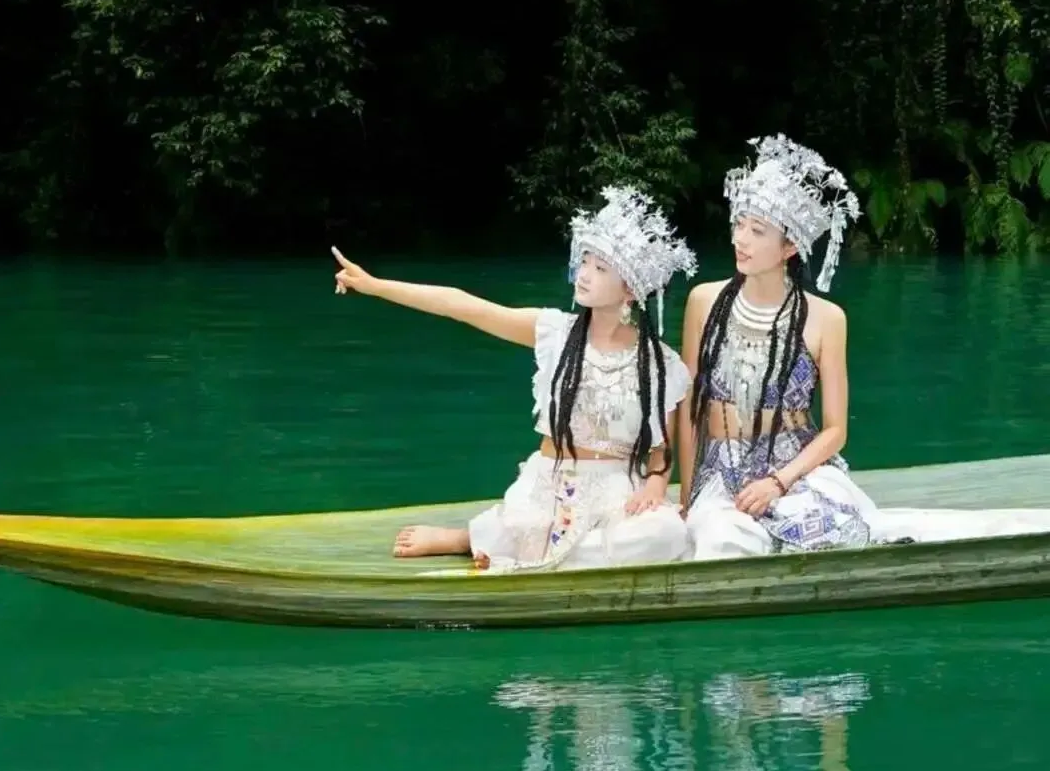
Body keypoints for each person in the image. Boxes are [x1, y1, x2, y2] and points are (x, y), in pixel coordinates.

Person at [331, 185, 696, 571]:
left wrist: (655, 487)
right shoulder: (555, 332)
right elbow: (464, 306)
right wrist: (374, 285)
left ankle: (502, 543)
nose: (584, 275)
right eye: (585, 262)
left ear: (629, 290)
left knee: (667, 533)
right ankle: (483, 539)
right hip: (555, 482)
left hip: (618, 490)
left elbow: (661, 451)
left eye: (600, 269)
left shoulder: (661, 362)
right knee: (540, 528)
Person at [679, 135, 879, 558]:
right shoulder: (704, 301)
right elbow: (689, 406)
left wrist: (779, 481)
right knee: (723, 542)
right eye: (739, 225)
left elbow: (836, 430)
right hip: (721, 466)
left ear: (789, 247)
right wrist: (687, 494)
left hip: (795, 464)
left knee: (831, 532)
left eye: (757, 231)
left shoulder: (827, 318)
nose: (741, 239)